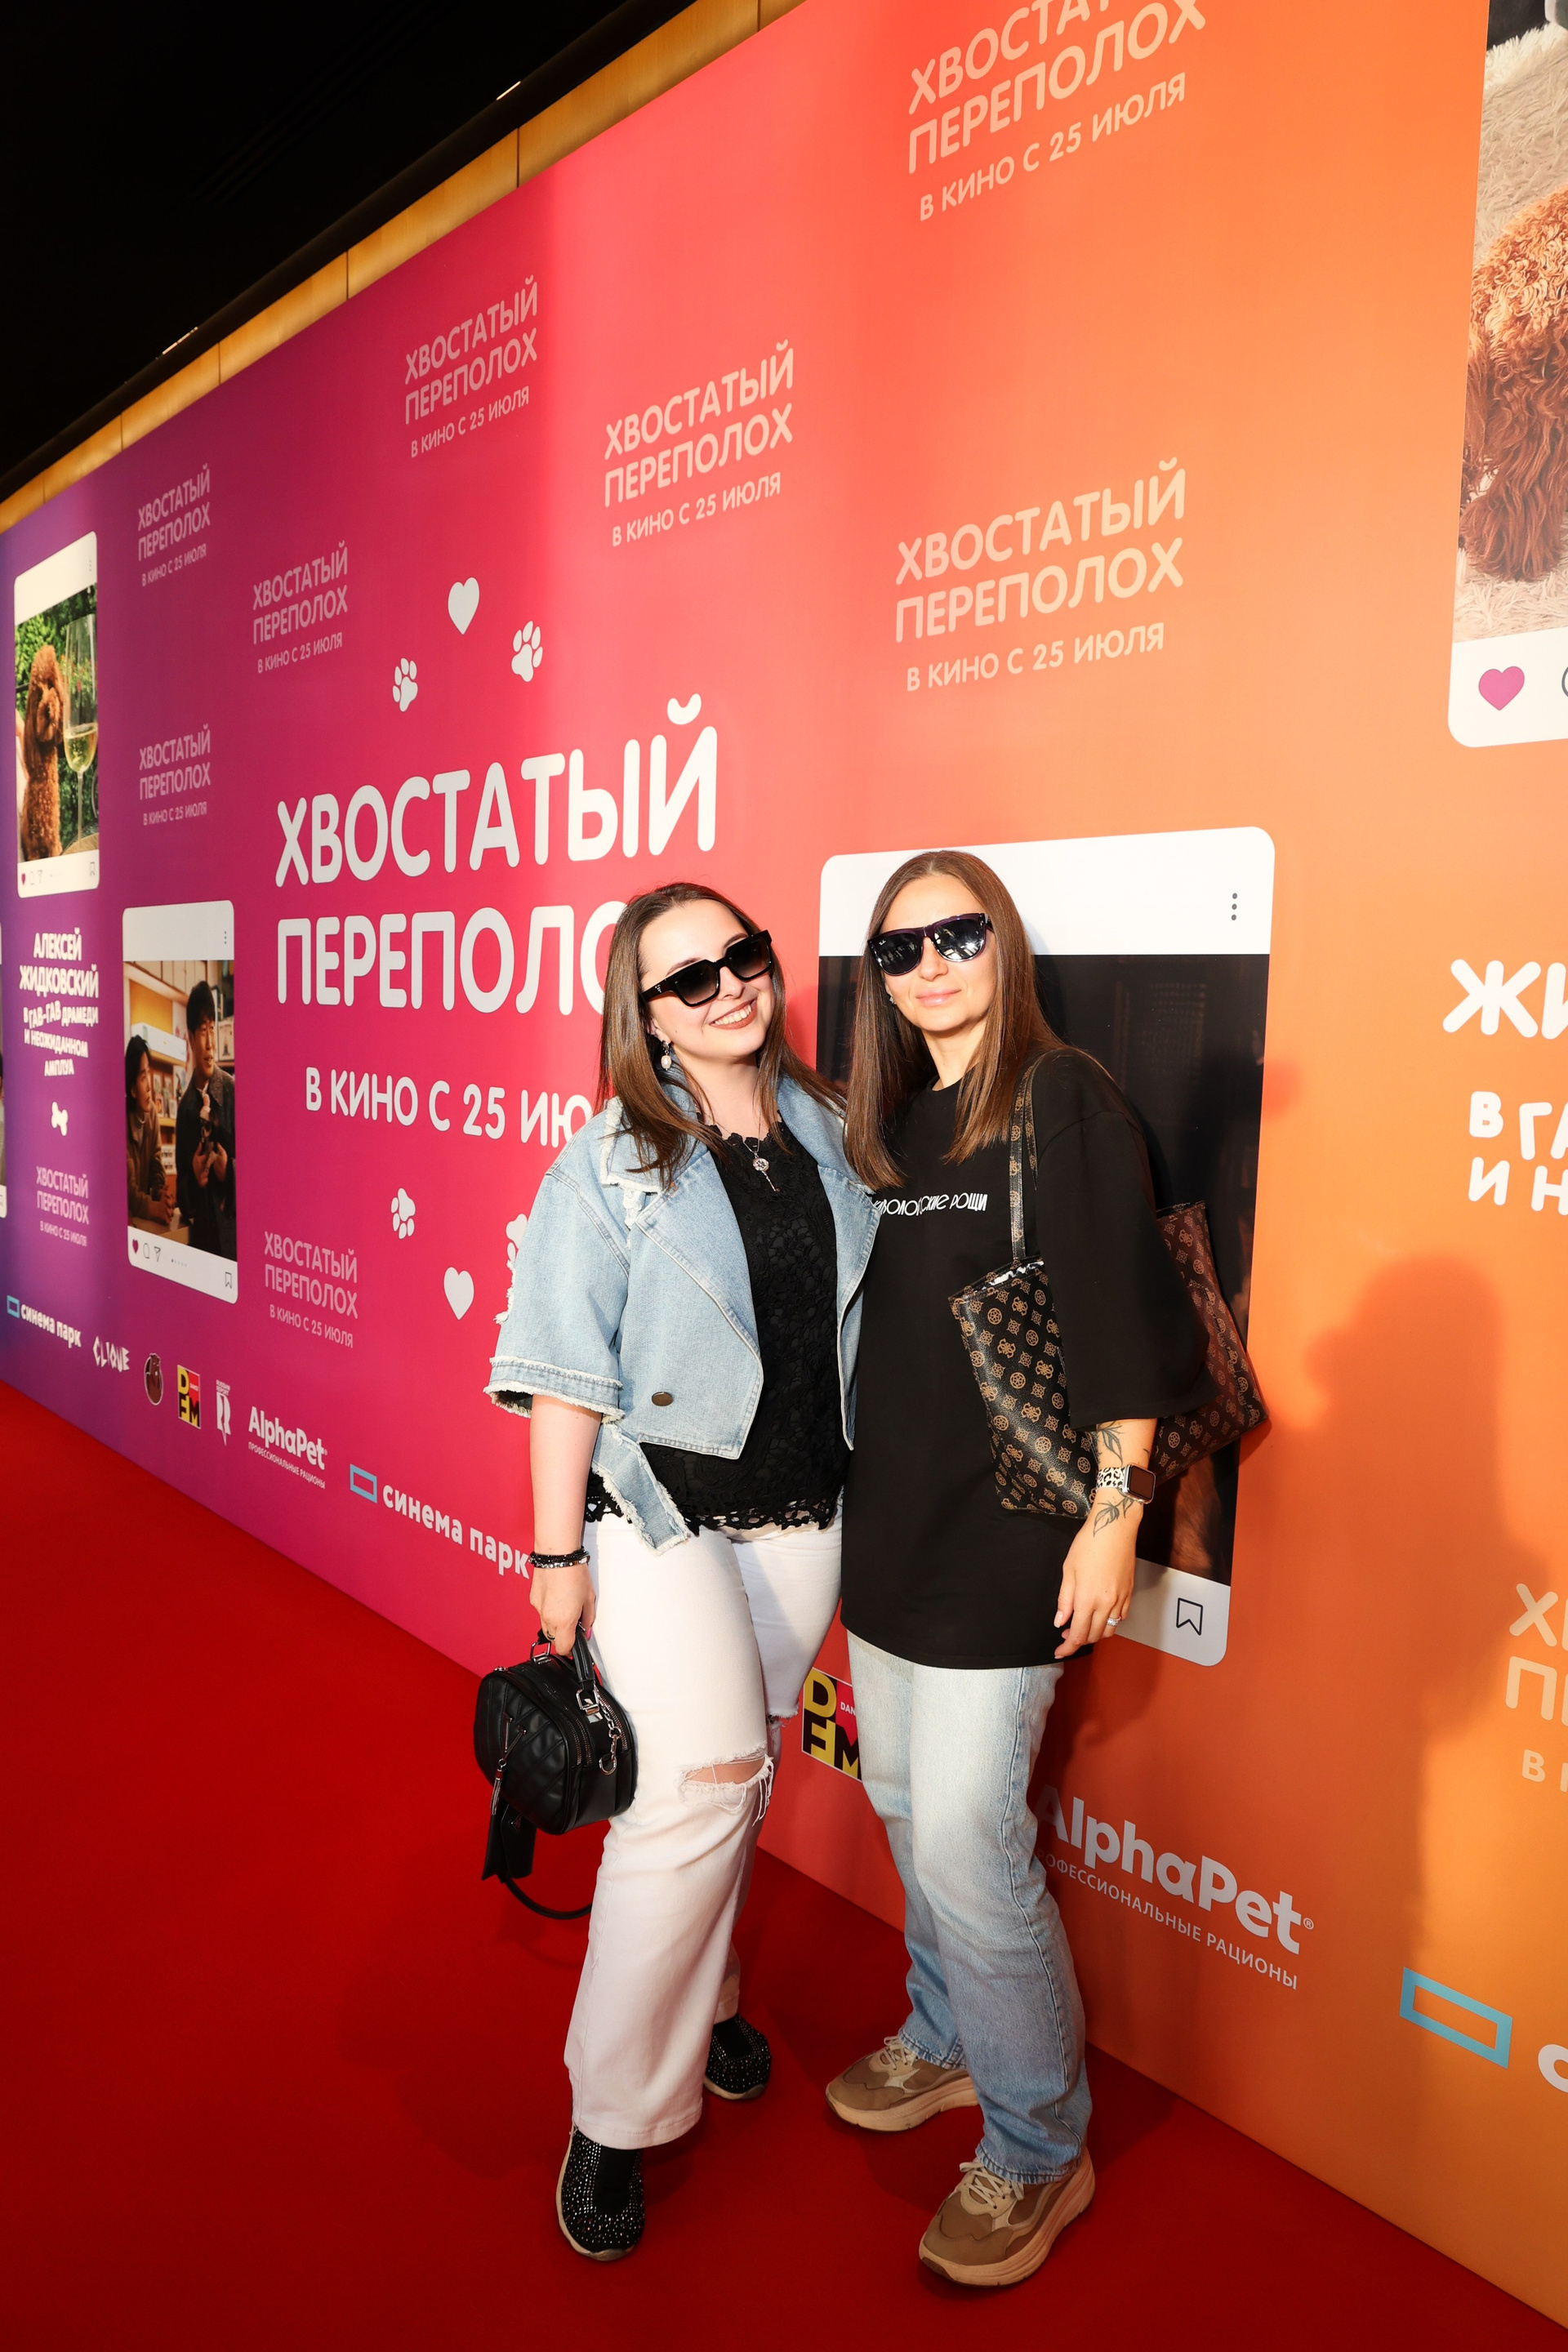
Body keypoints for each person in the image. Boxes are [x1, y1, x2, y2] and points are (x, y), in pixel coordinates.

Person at [827, 849, 1214, 2288]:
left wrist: (1115, 1512)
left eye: (958, 934)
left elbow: (1124, 1318)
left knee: (965, 1843)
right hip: (890, 1534)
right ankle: (944, 2034)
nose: (930, 965)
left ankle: (1041, 2144)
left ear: (1005, 944)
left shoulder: (1062, 1098)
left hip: (1014, 1538)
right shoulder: (889, 1130)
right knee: (901, 1799)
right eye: (900, 948)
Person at [488, 883, 877, 2262]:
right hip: (661, 1519)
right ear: (644, 1017)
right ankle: (614, 2112)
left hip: (806, 1515)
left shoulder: (833, 1130)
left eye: (741, 956)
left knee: (742, 1781)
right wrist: (555, 1560)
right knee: (693, 1794)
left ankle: (706, 2002)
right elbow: (562, 1375)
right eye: (688, 978)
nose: (729, 986)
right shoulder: (610, 1160)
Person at [174, 979, 235, 1258]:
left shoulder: (233, 1093)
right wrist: (193, 1178)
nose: (210, 1043)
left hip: (236, 1248)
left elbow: (264, 1175)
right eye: (202, 1031)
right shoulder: (185, 1109)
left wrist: (229, 1170)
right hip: (203, 1251)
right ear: (190, 1037)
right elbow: (184, 1200)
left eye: (212, 1028)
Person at [125, 1036, 175, 1225]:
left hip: (147, 1225)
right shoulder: (120, 1121)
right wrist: (155, 1208)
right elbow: (128, 1193)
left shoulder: (152, 1112)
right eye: (143, 1077)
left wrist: (161, 1193)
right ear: (133, 1089)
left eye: (149, 1073)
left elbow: (156, 1162)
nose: (149, 1087)